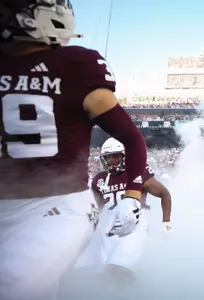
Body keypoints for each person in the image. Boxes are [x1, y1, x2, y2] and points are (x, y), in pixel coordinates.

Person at [0, 1, 147, 299]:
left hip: (55, 207)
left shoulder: (75, 65)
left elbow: (133, 139)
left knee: (11, 285)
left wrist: (133, 198)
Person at [89, 138, 172, 284]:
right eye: (108, 157)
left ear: (124, 156)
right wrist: (89, 228)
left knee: (119, 270)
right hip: (111, 230)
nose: (112, 160)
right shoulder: (99, 180)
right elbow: (97, 209)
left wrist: (166, 223)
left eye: (116, 156)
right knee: (109, 274)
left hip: (136, 226)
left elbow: (164, 194)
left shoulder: (138, 172)